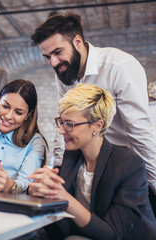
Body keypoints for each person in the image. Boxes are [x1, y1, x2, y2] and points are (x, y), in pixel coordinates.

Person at [31, 13, 156, 211]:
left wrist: (153, 184)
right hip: (87, 163)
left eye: (58, 52)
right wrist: (58, 169)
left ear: (78, 41)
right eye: (48, 57)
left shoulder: (120, 67)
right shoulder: (64, 72)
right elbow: (63, 124)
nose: (53, 63)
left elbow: (140, 132)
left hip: (122, 166)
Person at [28, 83, 156, 239]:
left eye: (70, 124)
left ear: (97, 125)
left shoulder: (129, 164)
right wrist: (39, 194)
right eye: (61, 122)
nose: (61, 130)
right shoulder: (72, 156)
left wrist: (66, 199)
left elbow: (112, 234)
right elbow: (61, 219)